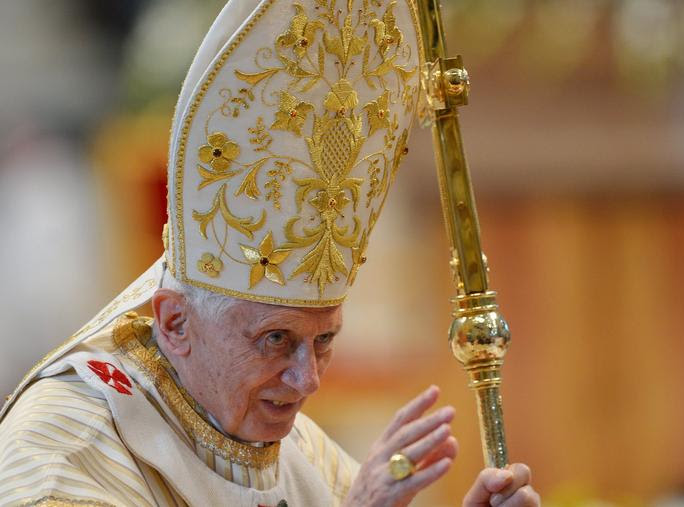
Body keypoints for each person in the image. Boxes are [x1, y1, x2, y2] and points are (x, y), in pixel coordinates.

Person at [0, 0, 540, 505]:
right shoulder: (63, 452)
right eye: (276, 339)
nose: (308, 381)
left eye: (323, 340)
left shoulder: (287, 438)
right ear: (174, 323)